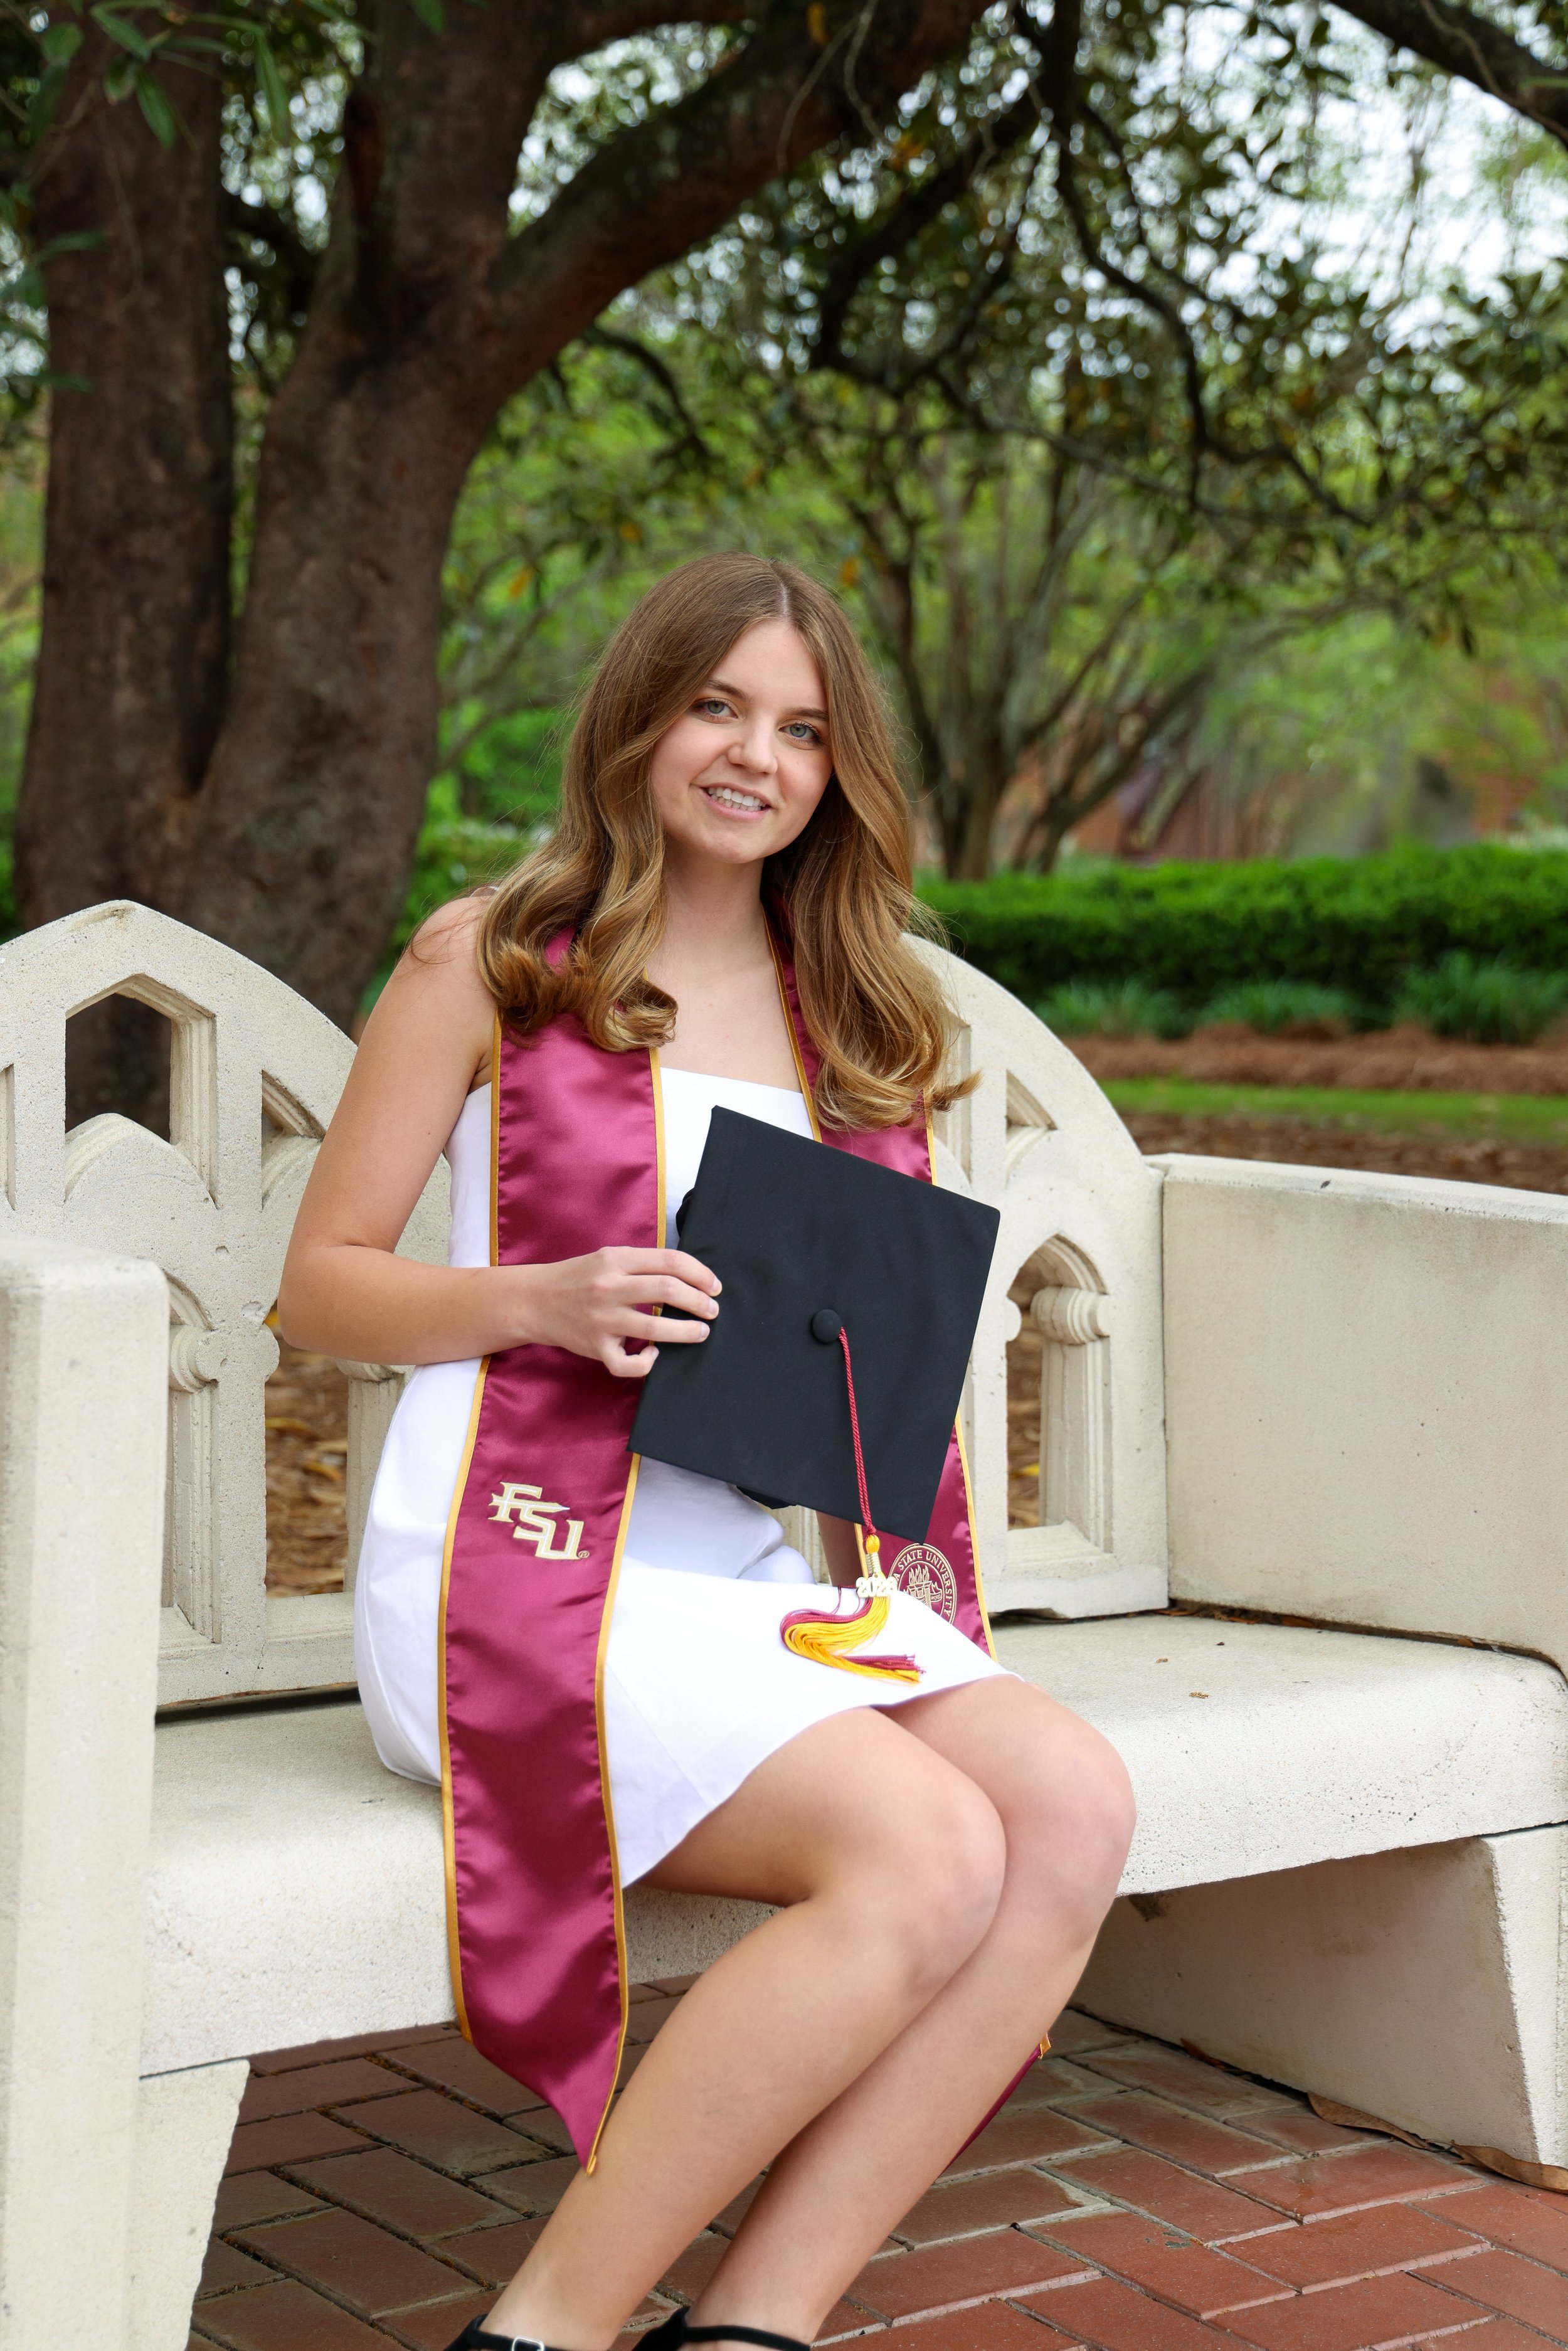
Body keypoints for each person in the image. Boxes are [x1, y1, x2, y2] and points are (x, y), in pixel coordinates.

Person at [278, 552, 1135, 2351]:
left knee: (1070, 1805)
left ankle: (752, 2323)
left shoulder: (854, 1011)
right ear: (640, 719)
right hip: (509, 1572)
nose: (757, 756)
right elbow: (321, 1288)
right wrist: (540, 1297)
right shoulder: (498, 961)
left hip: (732, 1579)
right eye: (718, 708)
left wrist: (869, 1449)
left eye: (803, 730)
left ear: (839, 772)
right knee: (925, 1851)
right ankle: (541, 2328)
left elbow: (841, 1343)